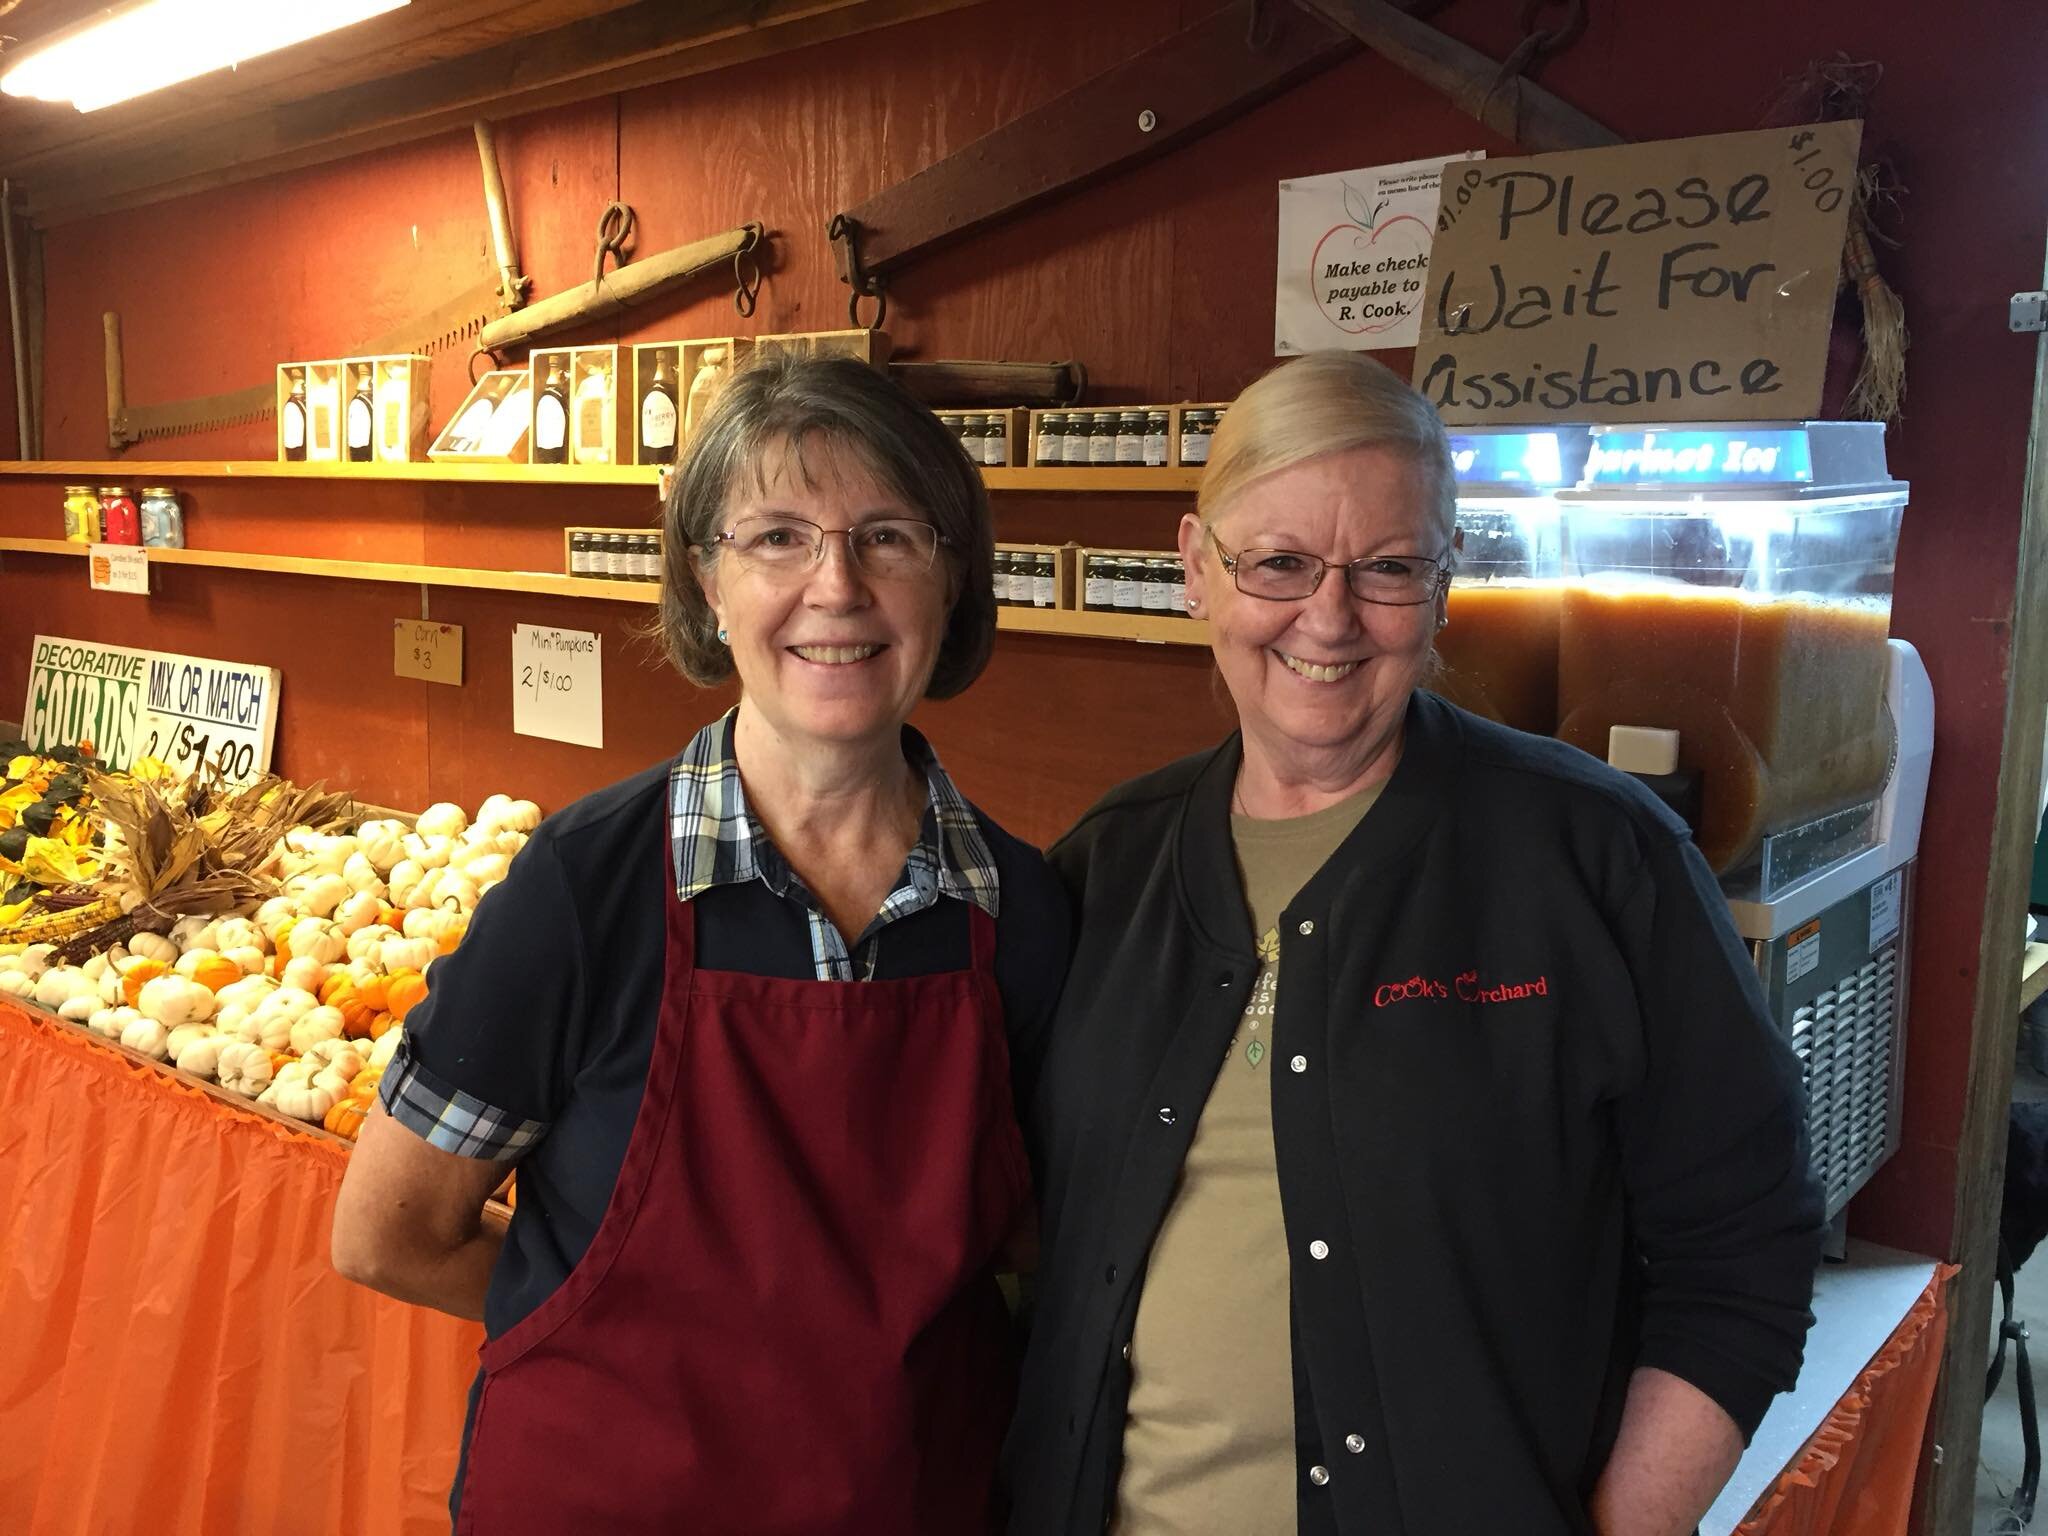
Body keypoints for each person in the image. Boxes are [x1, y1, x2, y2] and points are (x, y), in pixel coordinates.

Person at [1004, 351, 1824, 1536]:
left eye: (1385, 568)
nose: (1326, 618)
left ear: (1445, 584)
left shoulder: (1595, 859)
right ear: (1196, 572)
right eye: (1278, 563)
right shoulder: (1102, 866)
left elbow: (1741, 1250)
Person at [332, 353, 1068, 1533]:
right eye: (776, 536)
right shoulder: (583, 890)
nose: (836, 587)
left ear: (952, 580)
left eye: (888, 536)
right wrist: (605, 1324)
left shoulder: (1022, 915)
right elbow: (386, 1233)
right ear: (705, 582)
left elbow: (1039, 1242)